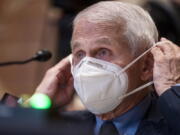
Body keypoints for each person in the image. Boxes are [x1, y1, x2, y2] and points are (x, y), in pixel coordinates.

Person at [31, 1, 180, 135]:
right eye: (80, 54)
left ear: (146, 66)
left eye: (103, 52)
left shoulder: (172, 122)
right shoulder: (59, 126)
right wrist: (37, 103)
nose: (87, 67)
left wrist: (170, 89)